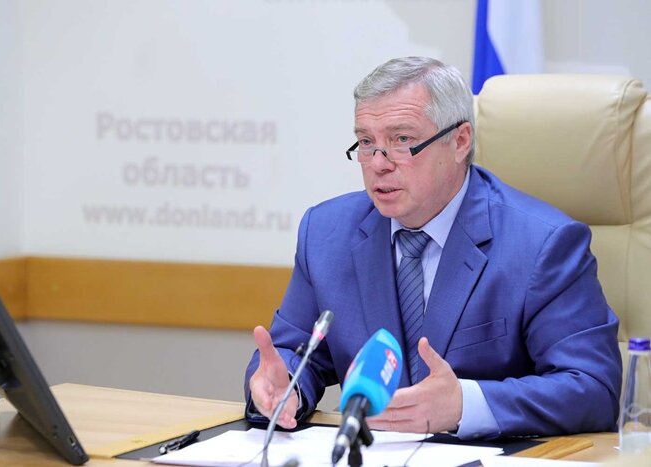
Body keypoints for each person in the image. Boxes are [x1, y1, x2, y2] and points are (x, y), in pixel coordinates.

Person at [244, 57, 622, 439]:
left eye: (402, 141)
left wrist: (464, 405)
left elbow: (593, 388)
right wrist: (285, 386)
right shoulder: (327, 233)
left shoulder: (542, 244)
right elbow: (294, 354)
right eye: (367, 142)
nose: (378, 164)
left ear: (460, 141)